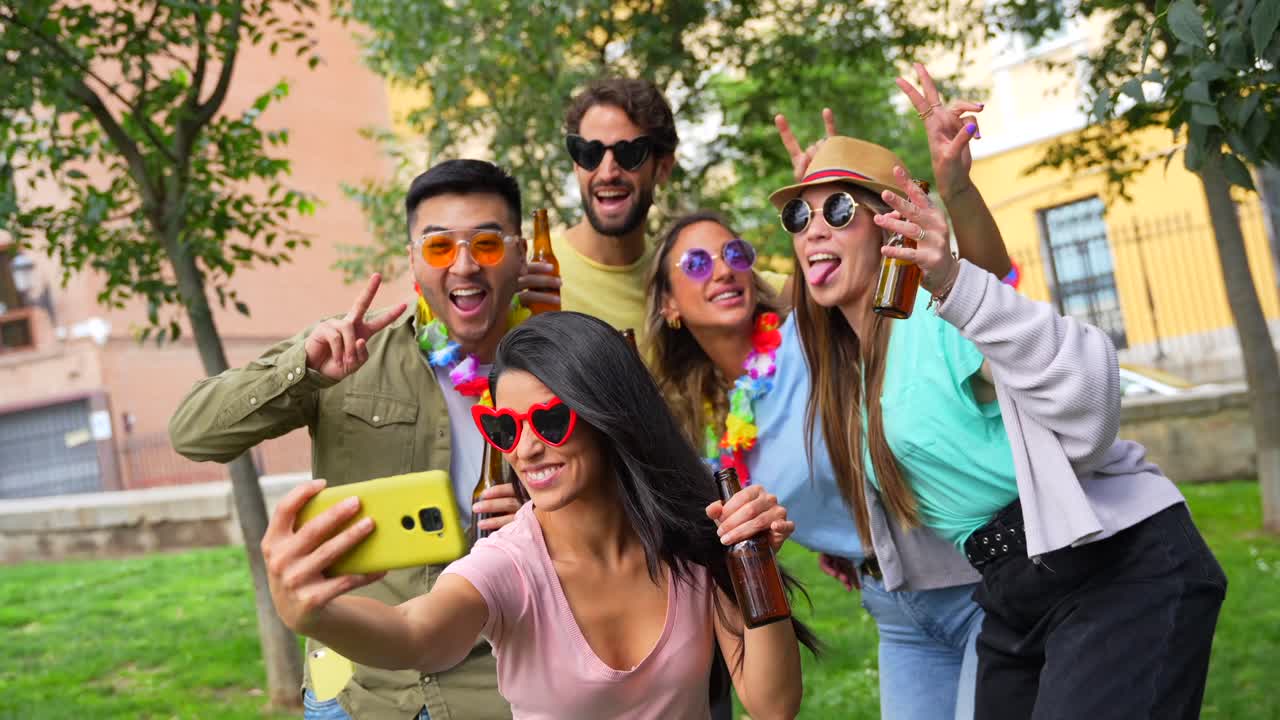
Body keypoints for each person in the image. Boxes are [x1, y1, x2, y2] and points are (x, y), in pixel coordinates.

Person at [775, 82, 1227, 716]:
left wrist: (955, 231)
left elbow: (1088, 387)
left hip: (1116, 568)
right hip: (1014, 592)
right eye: (800, 216)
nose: (815, 228)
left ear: (890, 225)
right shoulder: (848, 370)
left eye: (839, 210)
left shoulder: (939, 318)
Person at [259, 311, 817, 720]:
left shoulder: (692, 538)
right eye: (505, 427)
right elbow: (414, 632)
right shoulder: (509, 566)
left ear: (609, 417)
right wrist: (314, 615)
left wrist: (753, 560)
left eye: (549, 422)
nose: (523, 449)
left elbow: (772, 704)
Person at [169, 159, 532, 719]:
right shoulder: (346, 354)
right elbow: (193, 433)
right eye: (438, 247)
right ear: (412, 259)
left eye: (486, 244)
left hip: (493, 686)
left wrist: (539, 523)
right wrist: (302, 370)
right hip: (355, 689)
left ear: (520, 253)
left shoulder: (559, 370)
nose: (464, 265)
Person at [519, 76, 786, 346]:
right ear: (576, 165)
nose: (608, 172)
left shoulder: (686, 275)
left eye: (629, 153)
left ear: (663, 168)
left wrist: (817, 192)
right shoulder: (525, 272)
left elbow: (809, 291)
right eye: (590, 153)